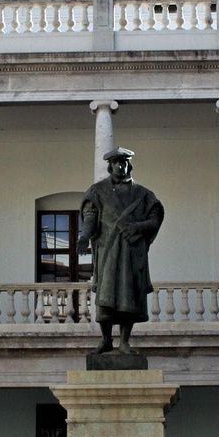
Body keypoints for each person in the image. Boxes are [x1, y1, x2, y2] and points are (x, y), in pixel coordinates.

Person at [78, 147, 165, 354]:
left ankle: (124, 341)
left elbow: (155, 218)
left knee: (130, 297)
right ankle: (106, 339)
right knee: (105, 298)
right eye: (116, 162)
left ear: (129, 165)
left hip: (132, 252)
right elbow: (90, 216)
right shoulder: (97, 191)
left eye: (124, 162)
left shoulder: (143, 194)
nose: (120, 165)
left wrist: (138, 227)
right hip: (108, 251)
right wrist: (83, 236)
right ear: (110, 166)